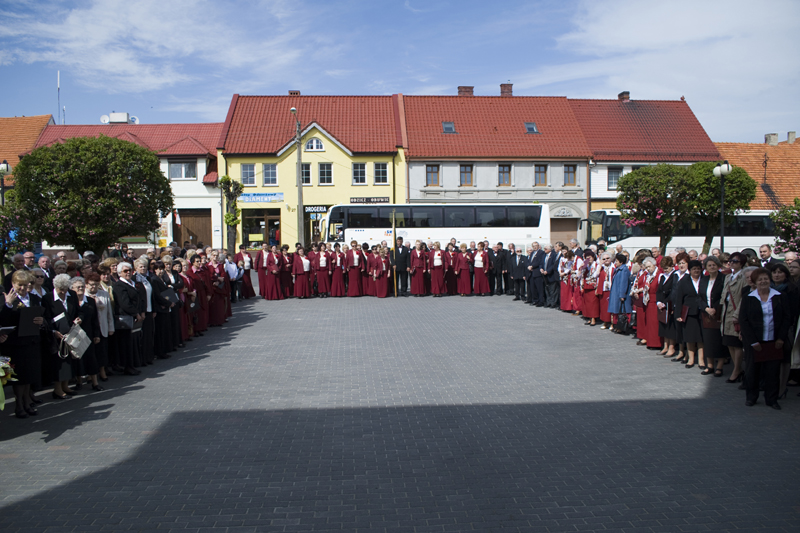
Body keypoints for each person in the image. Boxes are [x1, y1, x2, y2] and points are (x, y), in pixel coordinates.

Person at [739, 268, 791, 410]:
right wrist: (752, 341)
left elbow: (787, 318)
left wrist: (781, 338)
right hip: (754, 342)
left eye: (766, 279)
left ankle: (771, 399)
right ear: (755, 282)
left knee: (772, 372)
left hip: (774, 341)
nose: (763, 281)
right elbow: (743, 321)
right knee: (752, 371)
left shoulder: (780, 296)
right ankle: (751, 397)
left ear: (770, 280)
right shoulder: (749, 297)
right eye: (760, 279)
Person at [0, 270, 45, 418]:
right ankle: (18, 404)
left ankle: (27, 402)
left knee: (29, 375)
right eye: (20, 285)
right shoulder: (6, 299)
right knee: (19, 376)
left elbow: (43, 317)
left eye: (26, 285)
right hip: (15, 344)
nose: (23, 288)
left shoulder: (33, 298)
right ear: (13, 284)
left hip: (31, 342)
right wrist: (8, 304)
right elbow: (2, 321)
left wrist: (41, 322)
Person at [44, 273, 82, 398]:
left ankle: (66, 385)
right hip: (56, 336)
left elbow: (77, 311)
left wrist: (78, 319)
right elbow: (46, 318)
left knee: (69, 361)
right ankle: (57, 388)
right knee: (58, 363)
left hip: (70, 334)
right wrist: (53, 331)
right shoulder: (48, 298)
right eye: (61, 291)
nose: (63, 293)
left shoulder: (72, 296)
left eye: (65, 290)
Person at [768, 262, 799, 399]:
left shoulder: (791, 289)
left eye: (780, 272)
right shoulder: (767, 289)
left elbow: (792, 313)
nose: (777, 275)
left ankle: (781, 389)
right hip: (769, 328)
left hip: (786, 329)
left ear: (785, 274)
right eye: (774, 272)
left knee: (784, 359)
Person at [70, 276, 103, 391]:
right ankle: (79, 382)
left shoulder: (90, 300)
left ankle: (94, 382)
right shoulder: (70, 301)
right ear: (72, 288)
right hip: (75, 334)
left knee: (91, 358)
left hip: (88, 333)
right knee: (77, 358)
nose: (80, 289)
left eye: (82, 287)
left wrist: (96, 334)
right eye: (77, 287)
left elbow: (95, 319)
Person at [720, 253, 747, 383]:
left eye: (735, 261)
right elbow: (723, 295)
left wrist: (738, 314)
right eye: (730, 261)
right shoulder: (728, 277)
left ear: (741, 263)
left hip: (736, 312)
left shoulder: (744, 277)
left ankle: (737, 370)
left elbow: (743, 297)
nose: (731, 263)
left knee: (736, 343)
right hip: (726, 312)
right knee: (729, 342)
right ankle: (738, 369)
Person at [674, 259, 705, 368]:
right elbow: (679, 299)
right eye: (694, 269)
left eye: (698, 269)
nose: (696, 271)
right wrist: (678, 314)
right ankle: (691, 359)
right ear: (690, 270)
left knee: (701, 337)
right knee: (690, 337)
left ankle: (701, 360)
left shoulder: (705, 280)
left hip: (703, 312)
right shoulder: (683, 281)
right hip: (689, 312)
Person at [699, 256, 726, 376]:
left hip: (719, 312)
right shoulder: (704, 279)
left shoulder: (723, 279)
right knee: (708, 340)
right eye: (709, 265)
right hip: (706, 313)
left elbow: (723, 296)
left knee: (719, 340)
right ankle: (709, 365)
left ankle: (719, 366)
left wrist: (715, 308)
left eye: (714, 265)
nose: (712, 267)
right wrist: (706, 308)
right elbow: (699, 296)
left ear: (718, 266)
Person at [655, 256, 677, 357]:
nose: (665, 270)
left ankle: (671, 348)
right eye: (664, 268)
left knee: (670, 328)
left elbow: (673, 291)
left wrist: (666, 302)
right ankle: (665, 346)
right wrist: (658, 301)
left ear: (672, 266)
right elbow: (659, 290)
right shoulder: (663, 276)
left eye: (667, 268)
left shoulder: (674, 276)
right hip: (662, 304)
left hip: (669, 304)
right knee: (663, 326)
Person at [608, 253, 631, 334]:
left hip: (620, 293)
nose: (615, 263)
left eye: (617, 261)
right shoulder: (617, 269)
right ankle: (617, 326)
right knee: (616, 311)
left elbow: (623, 283)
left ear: (621, 262)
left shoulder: (624, 270)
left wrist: (622, 295)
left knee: (621, 311)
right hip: (615, 292)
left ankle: (621, 327)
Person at [581, 251, 601, 326]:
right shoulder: (586, 265)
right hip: (586, 286)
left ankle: (593, 319)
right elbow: (581, 273)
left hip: (593, 285)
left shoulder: (596, 264)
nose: (589, 259)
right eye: (587, 258)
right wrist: (583, 266)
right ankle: (589, 317)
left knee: (593, 303)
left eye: (590, 257)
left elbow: (596, 274)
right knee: (588, 303)